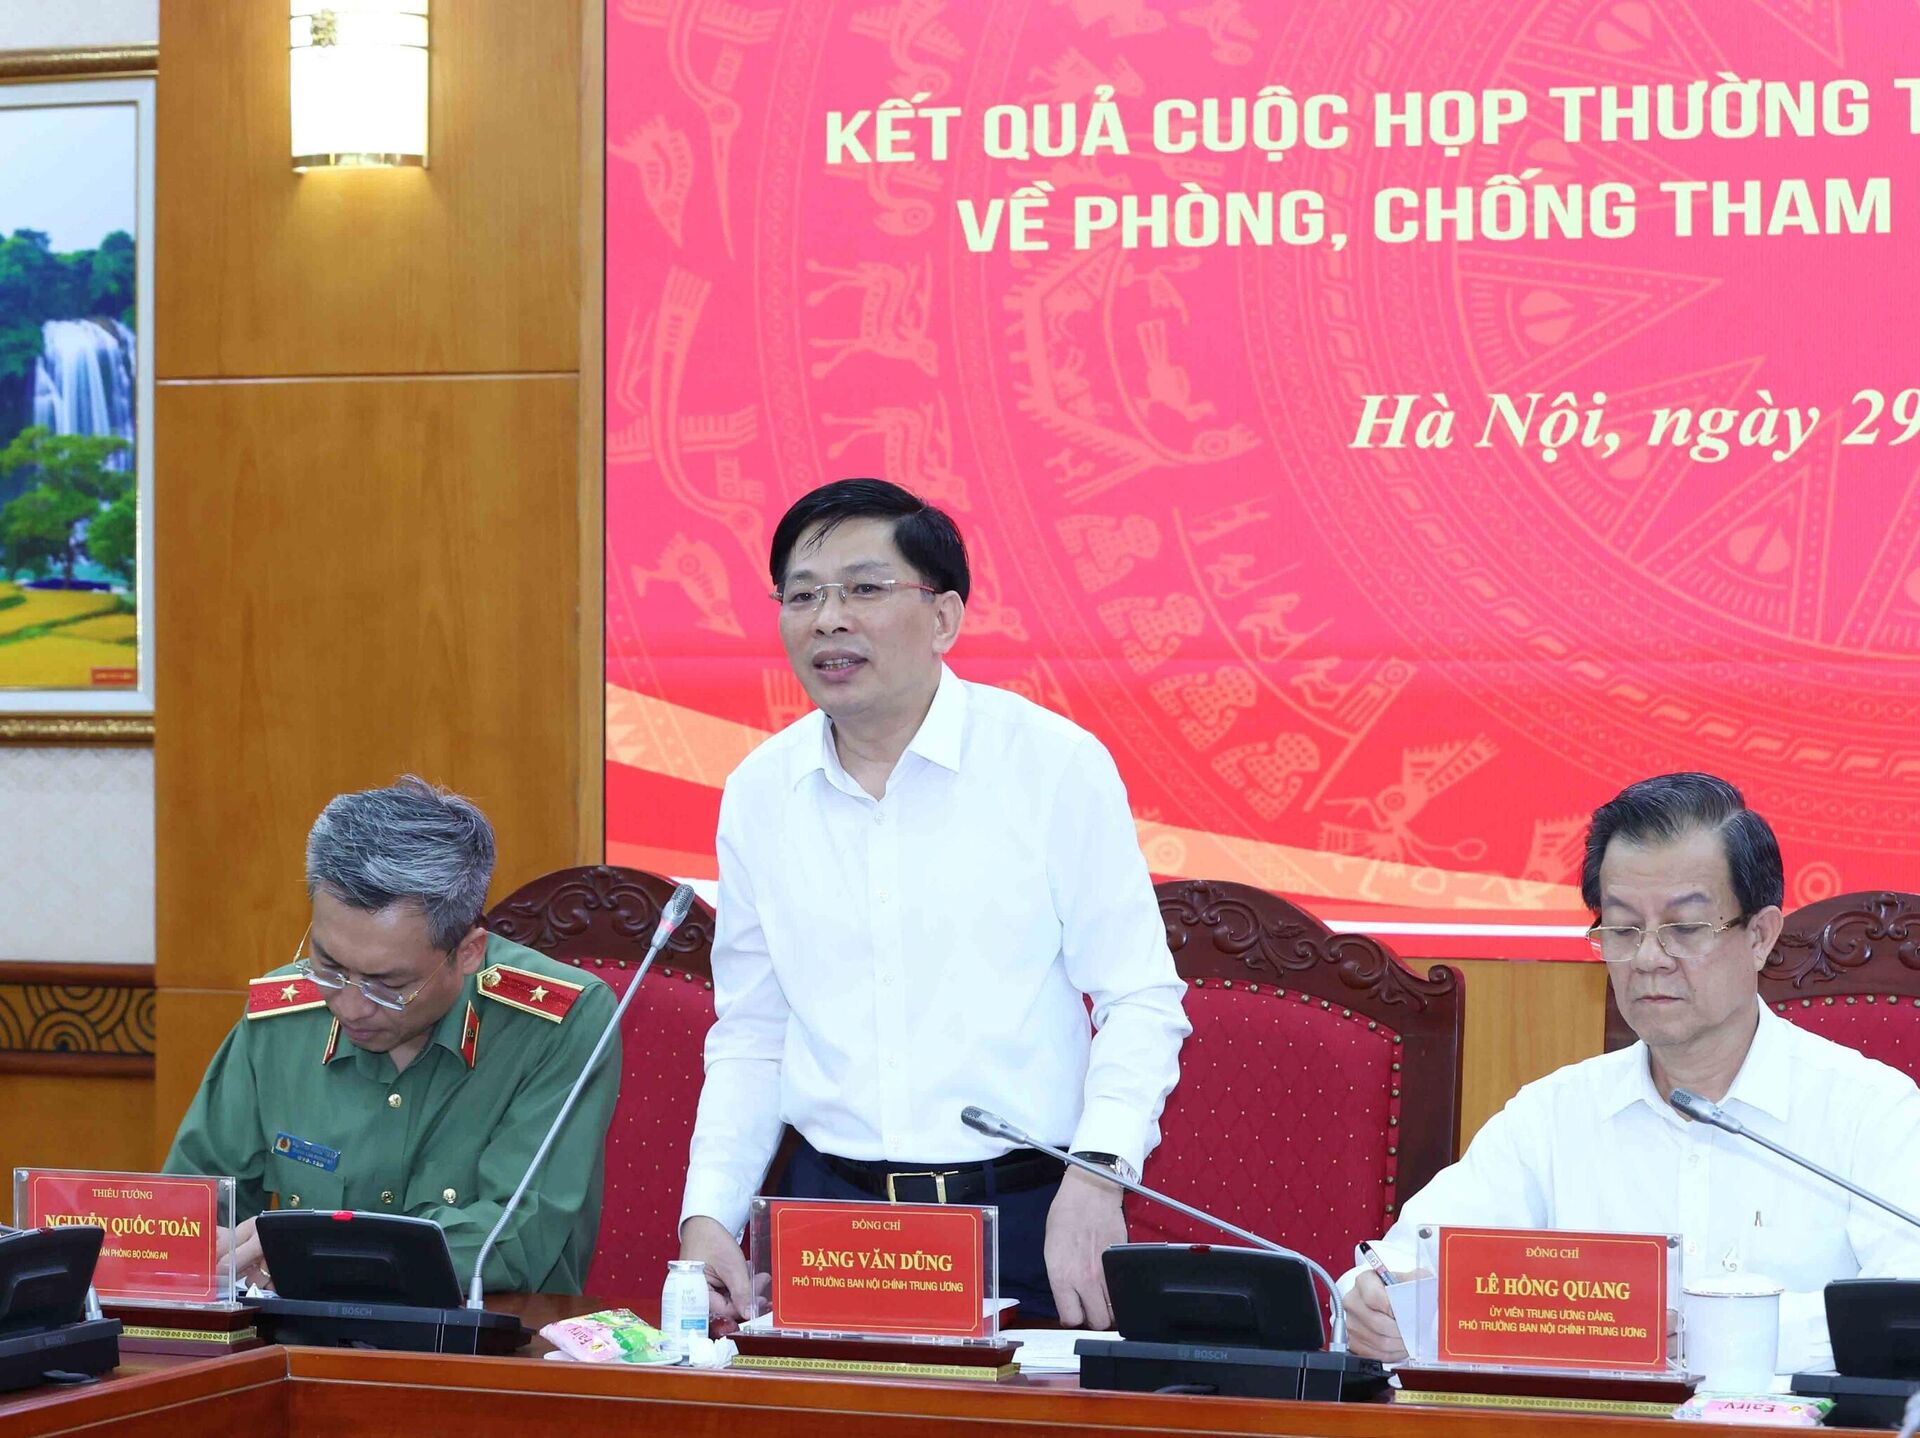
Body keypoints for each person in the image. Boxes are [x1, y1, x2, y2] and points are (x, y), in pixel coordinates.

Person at [676, 478, 1190, 1326]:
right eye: (803, 596)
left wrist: (1098, 1177)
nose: (828, 619)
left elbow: (1139, 998)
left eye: (864, 589)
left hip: (1022, 1216)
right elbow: (754, 1031)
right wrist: (708, 1216)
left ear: (944, 617)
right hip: (828, 1220)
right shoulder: (760, 792)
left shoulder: (1052, 765)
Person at [1342, 772, 1920, 1372]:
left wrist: (1708, 1332)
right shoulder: (1554, 1115)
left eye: (1685, 928)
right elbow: (1396, 1269)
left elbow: (1905, 1311)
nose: (1648, 958)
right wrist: (1378, 1308)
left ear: (1760, 936)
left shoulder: (1870, 1112)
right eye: (1622, 929)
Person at [164, 777, 619, 1295]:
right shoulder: (281, 1016)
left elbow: (519, 1237)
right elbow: (192, 1202)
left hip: (482, 1336)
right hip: (296, 1335)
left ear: (468, 952)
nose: (349, 1005)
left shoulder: (557, 1022)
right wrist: (204, 1244)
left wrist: (320, 1250)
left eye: (389, 985)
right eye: (329, 966)